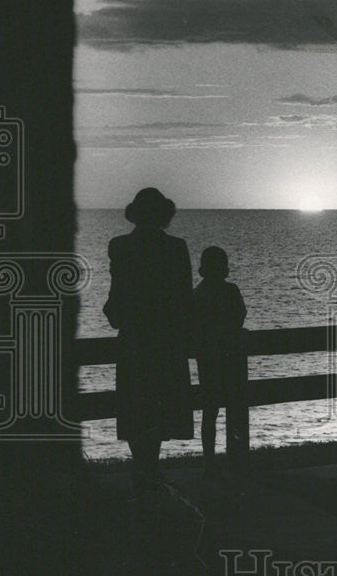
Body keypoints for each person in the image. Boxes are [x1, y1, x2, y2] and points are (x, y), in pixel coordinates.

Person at [103, 188, 194, 495]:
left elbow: (116, 298)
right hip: (166, 341)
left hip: (134, 340)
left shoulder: (120, 247)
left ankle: (144, 468)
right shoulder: (176, 248)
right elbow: (183, 298)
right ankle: (150, 469)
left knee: (134, 405)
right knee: (158, 406)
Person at [192, 246, 248, 484]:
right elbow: (240, 315)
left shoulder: (197, 294)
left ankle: (209, 463)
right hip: (232, 359)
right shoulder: (231, 291)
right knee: (235, 409)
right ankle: (236, 459)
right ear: (225, 269)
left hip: (207, 360)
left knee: (209, 413)